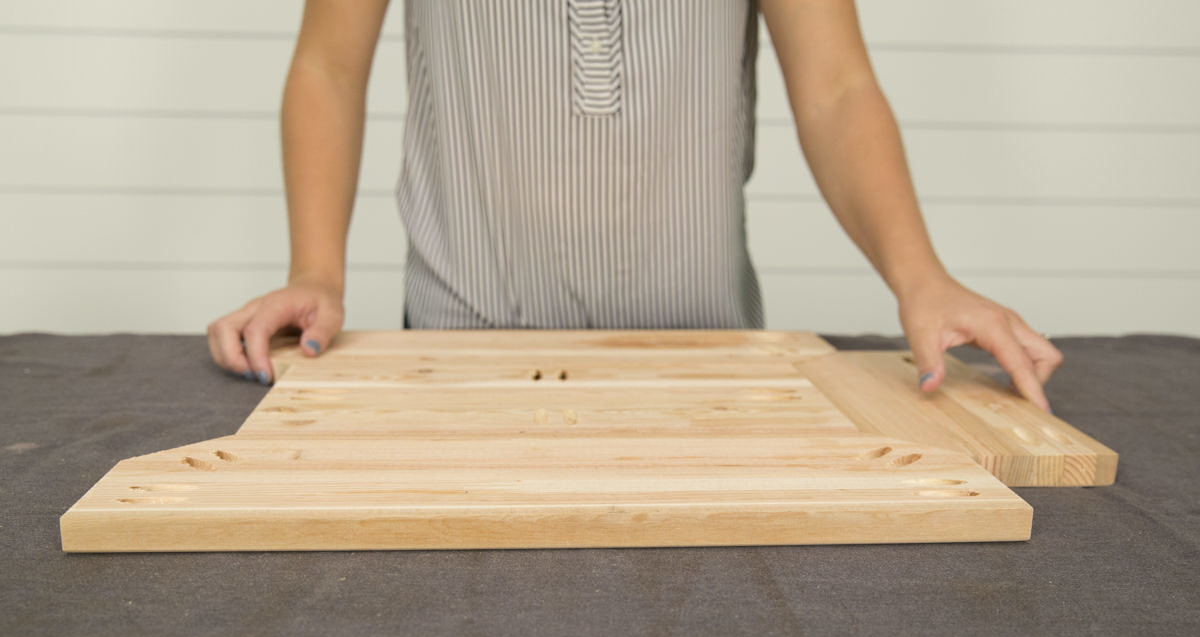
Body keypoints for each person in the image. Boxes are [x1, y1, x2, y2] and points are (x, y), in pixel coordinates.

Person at [206, 0, 1062, 410]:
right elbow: (328, 65)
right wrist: (314, 270)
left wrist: (921, 277)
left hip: (709, 361)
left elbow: (836, 89)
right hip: (455, 358)